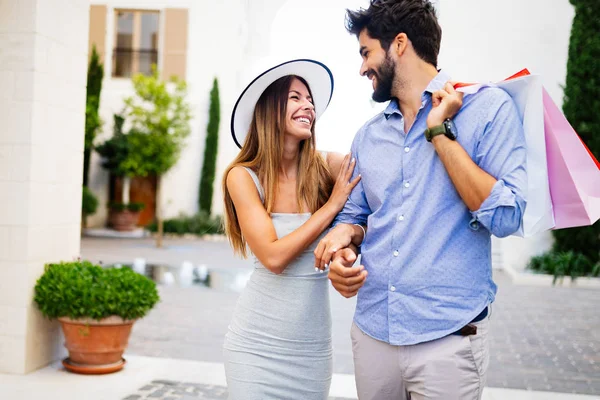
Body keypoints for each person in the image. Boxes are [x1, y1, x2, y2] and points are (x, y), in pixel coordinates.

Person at [314, 1, 528, 399]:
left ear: (398, 44)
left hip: (448, 340)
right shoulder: (368, 135)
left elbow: (507, 216)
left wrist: (441, 134)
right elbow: (355, 214)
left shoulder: (488, 110)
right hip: (374, 333)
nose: (362, 67)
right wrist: (343, 244)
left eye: (366, 52)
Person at [220, 59, 364, 400]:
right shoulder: (242, 176)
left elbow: (373, 211)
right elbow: (273, 256)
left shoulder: (330, 166)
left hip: (310, 351)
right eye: (295, 98)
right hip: (254, 347)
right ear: (270, 109)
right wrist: (330, 207)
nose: (309, 106)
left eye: (310, 99)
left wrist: (348, 244)